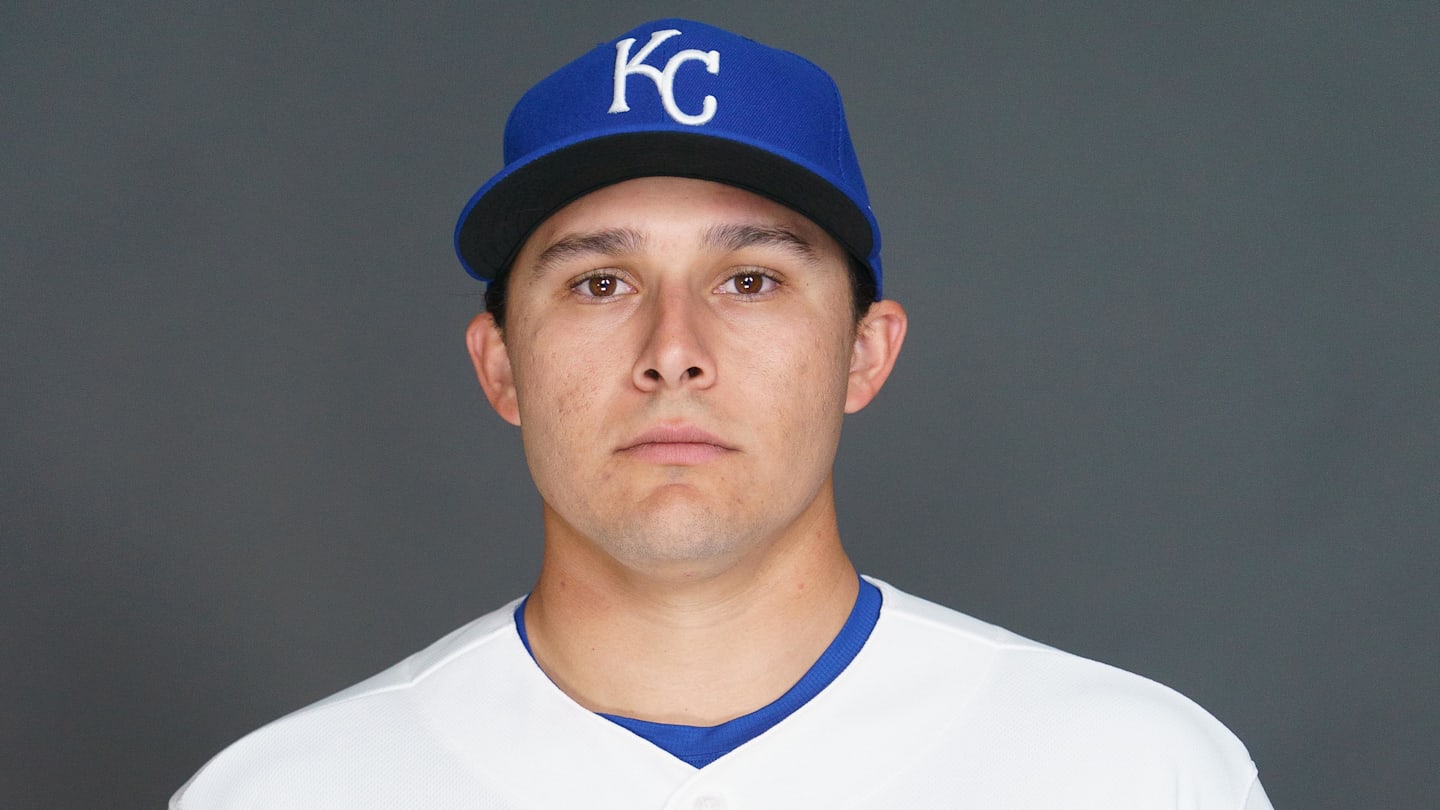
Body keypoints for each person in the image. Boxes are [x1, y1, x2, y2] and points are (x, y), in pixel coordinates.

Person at [172, 18, 1273, 809]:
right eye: (600, 283)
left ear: (865, 352)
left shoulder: (1136, 774)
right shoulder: (284, 792)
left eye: (750, 279)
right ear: (499, 364)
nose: (673, 354)